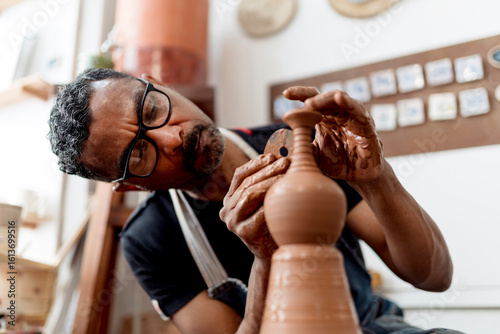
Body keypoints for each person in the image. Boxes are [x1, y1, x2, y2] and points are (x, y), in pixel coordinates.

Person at [48, 68, 462, 334]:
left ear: (160, 83)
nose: (173, 137)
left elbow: (434, 277)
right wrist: (264, 258)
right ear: (129, 187)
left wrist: (376, 177)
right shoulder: (150, 239)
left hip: (369, 325)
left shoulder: (306, 148)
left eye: (153, 108)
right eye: (139, 154)